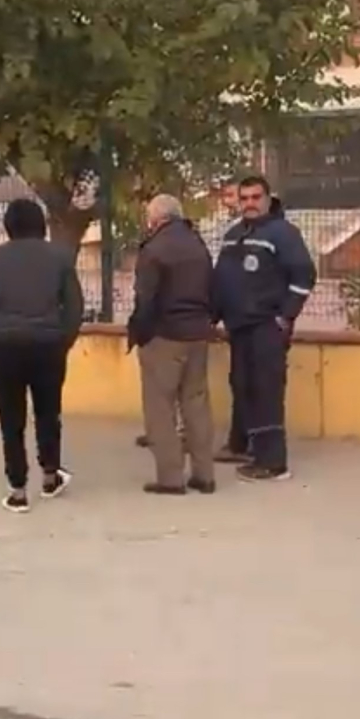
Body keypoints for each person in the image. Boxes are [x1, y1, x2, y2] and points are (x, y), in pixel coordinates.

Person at [0, 197, 84, 512]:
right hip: (48, 346)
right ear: (41, 224)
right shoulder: (60, 258)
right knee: (48, 413)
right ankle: (50, 475)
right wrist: (63, 342)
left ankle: (18, 490)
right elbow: (74, 308)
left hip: (5, 348)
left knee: (11, 420)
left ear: (8, 226)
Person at [212, 174, 316, 483]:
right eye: (244, 198)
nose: (250, 204)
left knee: (266, 391)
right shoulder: (233, 235)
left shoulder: (283, 233)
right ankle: (243, 446)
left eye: (256, 197)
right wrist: (213, 315)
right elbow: (222, 280)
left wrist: (285, 317)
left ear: (268, 199)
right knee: (242, 386)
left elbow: (304, 276)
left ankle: (273, 463)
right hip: (238, 327)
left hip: (267, 327)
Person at [128, 194, 215, 496]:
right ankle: (204, 475)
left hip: (164, 336)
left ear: (156, 218)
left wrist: (140, 333)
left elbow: (145, 299)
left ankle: (170, 478)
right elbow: (212, 289)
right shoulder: (198, 245)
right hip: (198, 333)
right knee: (197, 403)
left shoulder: (153, 250)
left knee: (160, 408)